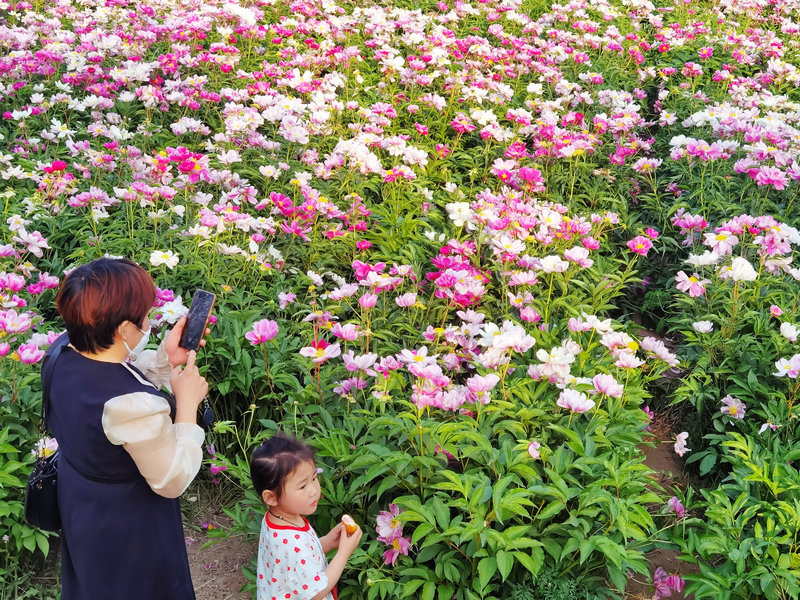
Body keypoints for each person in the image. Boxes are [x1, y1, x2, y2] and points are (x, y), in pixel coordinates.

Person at [47, 257, 209, 600]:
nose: (149, 322)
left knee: (95, 584)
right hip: (128, 521)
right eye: (145, 317)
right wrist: (189, 404)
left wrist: (167, 358)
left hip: (81, 500)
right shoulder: (133, 407)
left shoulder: (61, 351)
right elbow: (171, 478)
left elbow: (120, 371)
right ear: (122, 329)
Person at [250, 433, 363, 600]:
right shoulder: (289, 542)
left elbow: (297, 562)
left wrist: (327, 542)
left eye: (314, 478)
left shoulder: (277, 518)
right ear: (271, 497)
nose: (314, 490)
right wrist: (343, 554)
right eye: (302, 486)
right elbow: (315, 592)